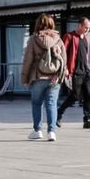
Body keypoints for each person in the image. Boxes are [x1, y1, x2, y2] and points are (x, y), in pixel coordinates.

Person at [20, 13, 66, 142]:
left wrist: (24, 78)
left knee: (36, 103)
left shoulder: (34, 39)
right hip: (54, 78)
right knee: (51, 104)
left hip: (38, 76)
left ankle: (37, 130)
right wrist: (60, 76)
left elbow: (28, 60)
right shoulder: (58, 39)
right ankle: (51, 132)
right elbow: (64, 60)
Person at [57, 18, 90, 129]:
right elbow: (62, 54)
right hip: (75, 71)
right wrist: (65, 68)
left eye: (89, 28)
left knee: (88, 95)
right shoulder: (69, 36)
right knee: (75, 96)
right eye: (86, 27)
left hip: (86, 71)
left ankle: (87, 120)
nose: (87, 30)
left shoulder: (86, 38)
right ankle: (59, 113)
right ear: (79, 25)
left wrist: (88, 67)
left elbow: (86, 54)